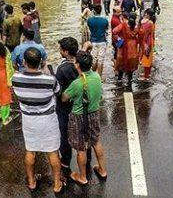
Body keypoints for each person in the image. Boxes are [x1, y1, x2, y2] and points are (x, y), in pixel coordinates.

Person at [12, 47, 64, 193]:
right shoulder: (49, 80)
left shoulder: (16, 78)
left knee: (30, 150)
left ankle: (31, 181)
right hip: (47, 120)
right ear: (41, 62)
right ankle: (56, 184)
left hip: (29, 120)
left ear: (24, 62)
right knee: (52, 152)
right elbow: (58, 92)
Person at [62, 51, 107, 185]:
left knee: (81, 148)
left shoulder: (77, 83)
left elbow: (64, 98)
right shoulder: (97, 77)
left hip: (78, 117)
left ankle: (82, 177)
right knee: (96, 141)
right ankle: (102, 170)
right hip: (94, 113)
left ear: (78, 66)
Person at [56, 37, 80, 172]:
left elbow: (58, 91)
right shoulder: (80, 63)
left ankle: (65, 162)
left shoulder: (62, 69)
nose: (59, 51)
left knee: (64, 135)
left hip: (64, 108)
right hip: (79, 105)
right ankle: (86, 159)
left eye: (60, 49)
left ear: (65, 52)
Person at [113, 15, 140, 88]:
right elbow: (140, 36)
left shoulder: (123, 25)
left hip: (124, 47)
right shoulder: (137, 28)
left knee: (121, 63)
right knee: (131, 64)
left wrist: (118, 38)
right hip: (133, 48)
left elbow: (114, 31)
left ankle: (119, 78)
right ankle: (129, 80)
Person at [86, 4, 109, 78]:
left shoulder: (90, 20)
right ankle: (99, 76)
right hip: (102, 41)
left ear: (93, 11)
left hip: (93, 41)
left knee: (94, 59)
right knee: (100, 60)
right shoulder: (105, 20)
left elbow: (89, 28)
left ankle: (92, 75)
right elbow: (106, 29)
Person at [138, 9, 156, 81]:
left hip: (146, 42)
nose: (144, 15)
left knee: (146, 58)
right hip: (150, 41)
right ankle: (147, 74)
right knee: (148, 58)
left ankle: (146, 77)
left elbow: (144, 33)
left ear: (148, 14)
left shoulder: (148, 23)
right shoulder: (152, 23)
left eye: (145, 14)